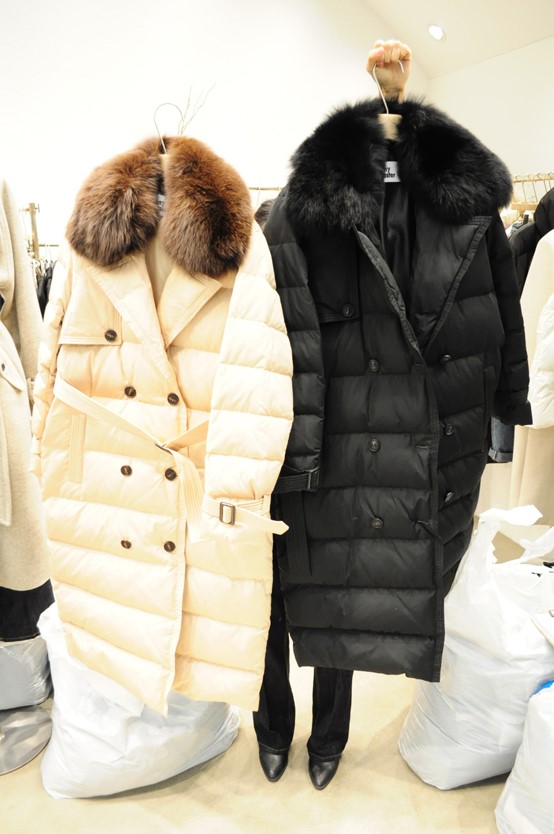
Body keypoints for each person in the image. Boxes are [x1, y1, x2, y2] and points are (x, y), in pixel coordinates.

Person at [253, 39, 413, 792]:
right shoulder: (271, 232)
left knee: (337, 600)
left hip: (349, 442)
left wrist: (392, 101)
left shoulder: (373, 234)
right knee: (270, 601)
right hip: (275, 443)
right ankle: (271, 727)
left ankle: (329, 738)